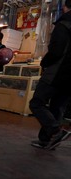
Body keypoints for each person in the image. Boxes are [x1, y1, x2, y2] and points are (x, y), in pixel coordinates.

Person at [30, 0, 71, 149]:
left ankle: (55, 130)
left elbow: (55, 51)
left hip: (57, 72)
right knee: (57, 106)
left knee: (36, 103)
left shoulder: (63, 25)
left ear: (65, 7)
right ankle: (47, 140)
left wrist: (44, 63)